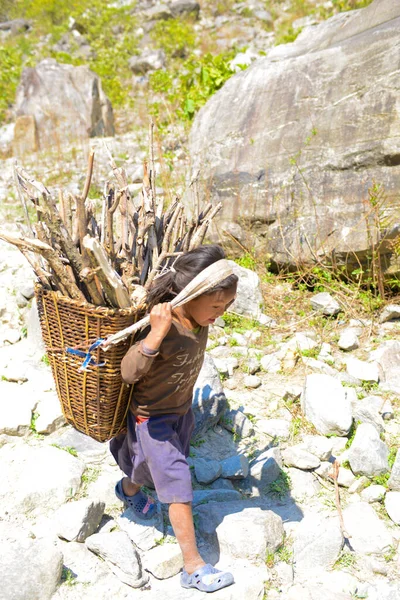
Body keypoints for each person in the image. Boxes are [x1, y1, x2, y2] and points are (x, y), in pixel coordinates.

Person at [110, 244, 238, 593]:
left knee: (148, 470)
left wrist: (210, 311)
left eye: (227, 306)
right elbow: (128, 372)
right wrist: (154, 335)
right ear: (190, 296)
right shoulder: (162, 325)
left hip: (180, 412)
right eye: (216, 306)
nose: (221, 313)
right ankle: (193, 566)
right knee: (177, 481)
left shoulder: (199, 319)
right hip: (152, 420)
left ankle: (127, 490)